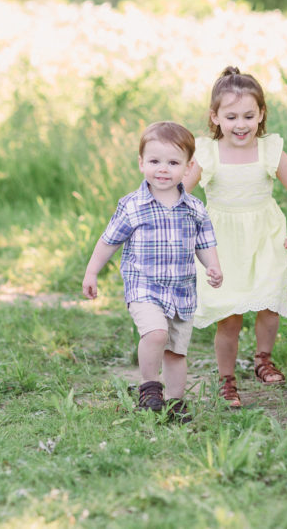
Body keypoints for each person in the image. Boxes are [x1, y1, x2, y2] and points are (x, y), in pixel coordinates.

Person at [183, 66, 287, 408]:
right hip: (221, 243)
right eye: (232, 116)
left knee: (269, 301)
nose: (241, 124)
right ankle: (227, 380)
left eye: (249, 116)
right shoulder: (208, 152)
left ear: (261, 114)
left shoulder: (270, 150)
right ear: (215, 117)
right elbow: (181, 192)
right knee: (230, 315)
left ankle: (263, 358)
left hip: (265, 237)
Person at [83, 121, 223, 422]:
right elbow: (109, 241)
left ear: (188, 167)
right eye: (154, 161)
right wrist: (92, 272)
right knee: (156, 334)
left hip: (182, 291)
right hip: (144, 287)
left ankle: (175, 402)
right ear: (141, 163)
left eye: (173, 162)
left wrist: (213, 265)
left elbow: (205, 242)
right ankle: (149, 386)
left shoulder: (195, 208)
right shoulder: (133, 206)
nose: (163, 169)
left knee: (177, 352)